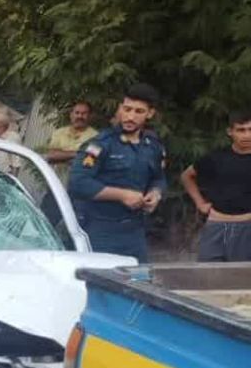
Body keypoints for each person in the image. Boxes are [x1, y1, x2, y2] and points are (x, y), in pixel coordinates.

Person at [68, 83, 167, 262]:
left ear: (150, 114)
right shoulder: (100, 145)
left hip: (135, 233)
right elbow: (78, 184)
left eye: (139, 111)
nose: (130, 116)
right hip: (99, 231)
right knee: (100, 285)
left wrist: (156, 193)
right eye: (127, 109)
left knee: (139, 283)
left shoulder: (152, 146)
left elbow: (159, 178)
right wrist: (121, 195)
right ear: (120, 108)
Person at [181, 109, 251, 262]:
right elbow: (187, 176)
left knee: (243, 281)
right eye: (241, 130)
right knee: (207, 277)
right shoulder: (216, 158)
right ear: (230, 132)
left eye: (250, 130)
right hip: (216, 225)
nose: (247, 135)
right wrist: (200, 203)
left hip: (248, 225)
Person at [42, 101, 97, 182]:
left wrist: (62, 156)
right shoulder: (59, 133)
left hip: (80, 185)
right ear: (71, 115)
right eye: (77, 113)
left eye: (84, 113)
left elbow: (89, 162)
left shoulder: (97, 137)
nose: (80, 116)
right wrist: (79, 153)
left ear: (89, 116)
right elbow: (51, 156)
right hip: (56, 185)